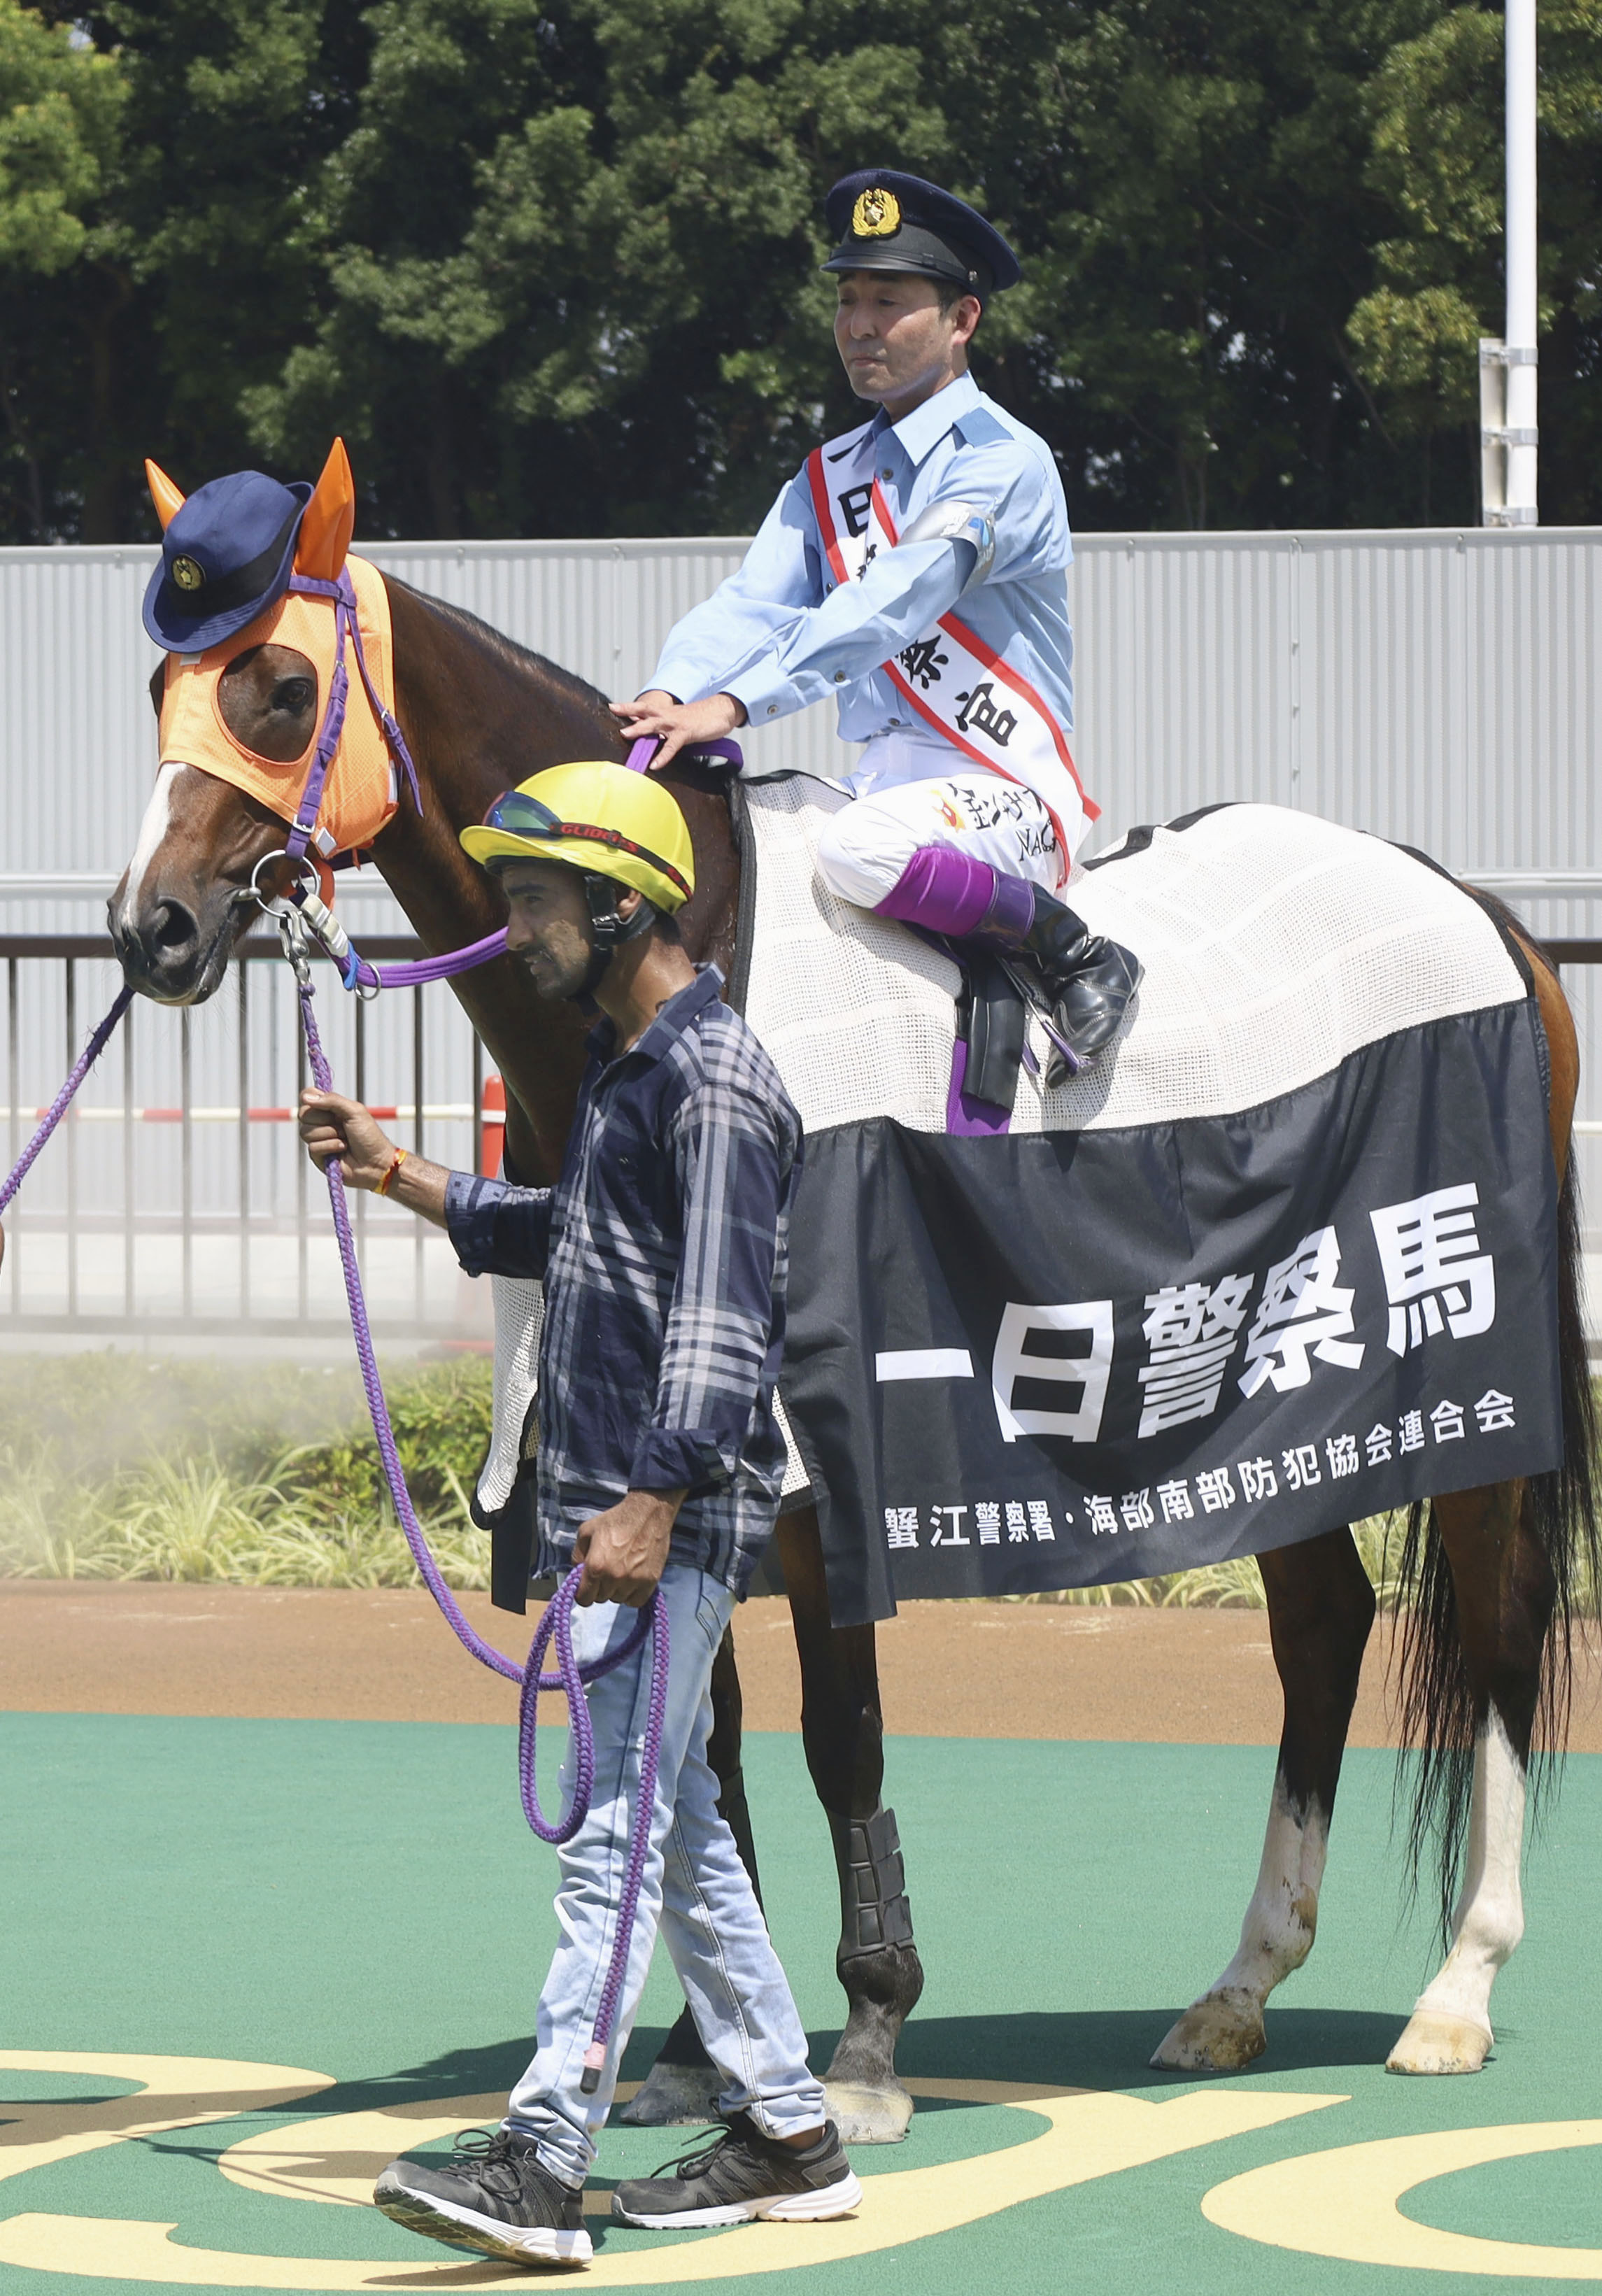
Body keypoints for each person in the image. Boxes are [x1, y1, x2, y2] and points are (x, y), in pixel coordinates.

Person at [299, 760, 859, 2268]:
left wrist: (656, 1497)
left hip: (656, 1519)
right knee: (676, 1840)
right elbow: (578, 1235)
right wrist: (404, 1173)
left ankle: (545, 2161)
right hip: (621, 1512)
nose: (515, 927)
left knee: (611, 1837)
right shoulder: (632, 1067)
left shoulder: (718, 1079)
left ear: (624, 905)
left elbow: (725, 1323)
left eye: (537, 900)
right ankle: (793, 2133)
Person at [611, 167, 1140, 1085]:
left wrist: (733, 703)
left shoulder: (1001, 462)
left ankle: (1074, 950)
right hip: (876, 783)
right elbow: (751, 602)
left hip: (1005, 791)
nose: (858, 324)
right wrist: (673, 688)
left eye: (888, 301)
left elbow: (891, 601)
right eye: (847, 299)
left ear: (961, 320)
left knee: (855, 852)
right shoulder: (829, 474)